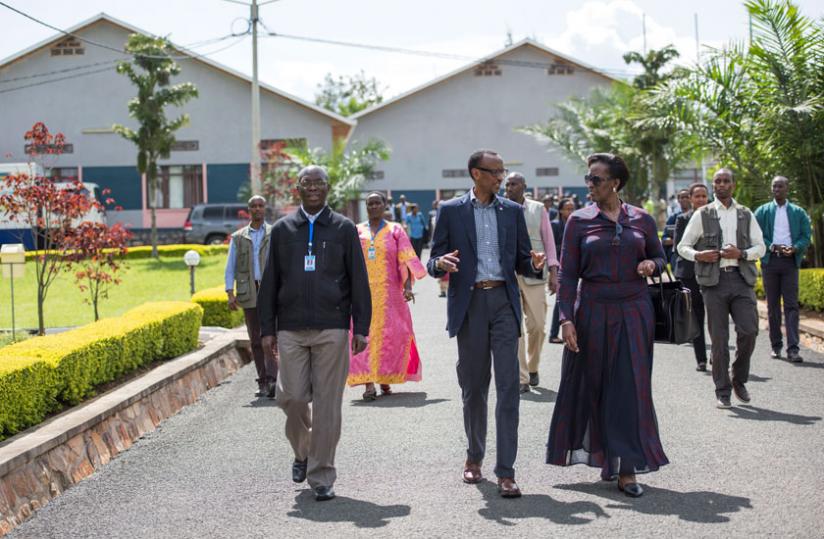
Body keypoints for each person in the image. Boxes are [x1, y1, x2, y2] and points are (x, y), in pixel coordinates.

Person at [546, 153, 668, 498]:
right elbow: (569, 275)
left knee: (630, 387)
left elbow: (661, 258)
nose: (589, 185)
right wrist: (566, 318)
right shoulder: (579, 221)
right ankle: (604, 458)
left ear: (615, 183)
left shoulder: (641, 219)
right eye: (588, 179)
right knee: (594, 385)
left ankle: (627, 468)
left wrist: (650, 263)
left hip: (634, 311)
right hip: (592, 312)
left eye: (596, 180)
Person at [428, 149, 546, 498]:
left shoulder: (512, 212)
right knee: (474, 387)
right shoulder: (450, 211)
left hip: (503, 303)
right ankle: (474, 456)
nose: (501, 177)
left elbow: (523, 261)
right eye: (494, 172)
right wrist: (441, 264)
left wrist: (534, 262)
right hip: (471, 304)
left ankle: (506, 471)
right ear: (475, 174)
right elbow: (435, 257)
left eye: (503, 171)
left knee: (509, 386)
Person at [258, 165, 371, 502]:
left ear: (328, 188)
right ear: (298, 188)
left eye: (319, 183)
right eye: (307, 183)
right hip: (291, 328)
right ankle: (303, 451)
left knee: (327, 406)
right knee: (290, 397)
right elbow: (270, 282)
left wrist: (360, 327)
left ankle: (321, 475)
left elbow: (358, 280)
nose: (313, 189)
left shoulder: (343, 228)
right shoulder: (282, 230)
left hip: (332, 327)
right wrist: (267, 329)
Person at [677, 168, 765, 409]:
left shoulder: (745, 214)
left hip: (741, 278)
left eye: (726, 181)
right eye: (718, 181)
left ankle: (738, 378)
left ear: (733, 186)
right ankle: (722, 390)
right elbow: (682, 246)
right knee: (719, 339)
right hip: (713, 283)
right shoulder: (702, 214)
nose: (722, 185)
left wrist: (742, 253)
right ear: (713, 186)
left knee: (748, 331)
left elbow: (761, 246)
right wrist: (699, 255)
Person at [349, 191, 426, 399]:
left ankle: (385, 378)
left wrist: (408, 287)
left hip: (390, 295)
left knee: (391, 337)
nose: (373, 206)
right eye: (369, 203)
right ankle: (368, 384)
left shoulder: (395, 230)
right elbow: (349, 262)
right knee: (362, 334)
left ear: (385, 206)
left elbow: (407, 259)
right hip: (362, 294)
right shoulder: (357, 231)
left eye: (377, 203)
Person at [504, 172, 559, 393]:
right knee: (514, 328)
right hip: (508, 275)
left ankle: (533, 366)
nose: (509, 187)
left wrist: (554, 272)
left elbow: (549, 241)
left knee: (537, 326)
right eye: (507, 184)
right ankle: (522, 377)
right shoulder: (499, 209)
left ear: (524, 187)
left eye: (514, 184)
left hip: (534, 273)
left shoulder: (538, 209)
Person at [754, 176, 812, 362]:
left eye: (780, 186)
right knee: (772, 307)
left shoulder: (798, 212)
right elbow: (755, 234)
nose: (777, 189)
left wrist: (795, 247)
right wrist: (772, 246)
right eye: (774, 186)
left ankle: (793, 348)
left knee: (791, 306)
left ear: (787, 188)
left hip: (790, 263)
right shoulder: (762, 211)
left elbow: (806, 235)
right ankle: (776, 346)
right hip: (770, 262)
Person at [225, 195, 278, 398]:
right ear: (249, 210)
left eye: (260, 206)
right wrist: (230, 292)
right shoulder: (239, 237)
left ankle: (275, 379)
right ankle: (263, 381)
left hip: (271, 292)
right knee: (255, 340)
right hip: (250, 293)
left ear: (265, 209)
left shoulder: (275, 233)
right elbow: (230, 267)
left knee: (273, 337)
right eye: (253, 206)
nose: (257, 209)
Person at [672, 183, 710, 371]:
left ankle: (718, 355)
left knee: (715, 316)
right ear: (691, 199)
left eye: (704, 196)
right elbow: (678, 246)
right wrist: (698, 255)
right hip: (689, 274)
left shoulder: (716, 217)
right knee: (696, 315)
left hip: (713, 273)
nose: (701, 199)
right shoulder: (682, 219)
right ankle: (701, 358)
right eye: (697, 196)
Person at [548, 198, 575, 344]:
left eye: (572, 208)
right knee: (560, 300)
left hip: (573, 266)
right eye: (567, 208)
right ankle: (553, 333)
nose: (570, 211)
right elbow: (551, 246)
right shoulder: (555, 225)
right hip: (558, 265)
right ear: (560, 210)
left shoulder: (576, 224)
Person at [662, 189, 691, 263]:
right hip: (676, 254)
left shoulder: (697, 216)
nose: (685, 199)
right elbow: (664, 240)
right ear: (678, 200)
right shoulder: (673, 218)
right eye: (682, 197)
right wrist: (677, 241)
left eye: (687, 197)